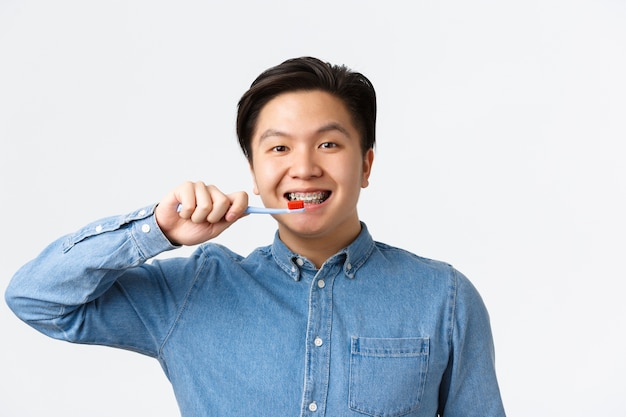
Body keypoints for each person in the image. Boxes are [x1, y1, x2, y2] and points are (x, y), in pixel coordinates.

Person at [5, 56, 506, 416]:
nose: (304, 168)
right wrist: (157, 231)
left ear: (366, 164)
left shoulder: (445, 299)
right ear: (254, 167)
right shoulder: (194, 291)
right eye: (280, 148)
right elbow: (36, 298)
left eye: (329, 144)